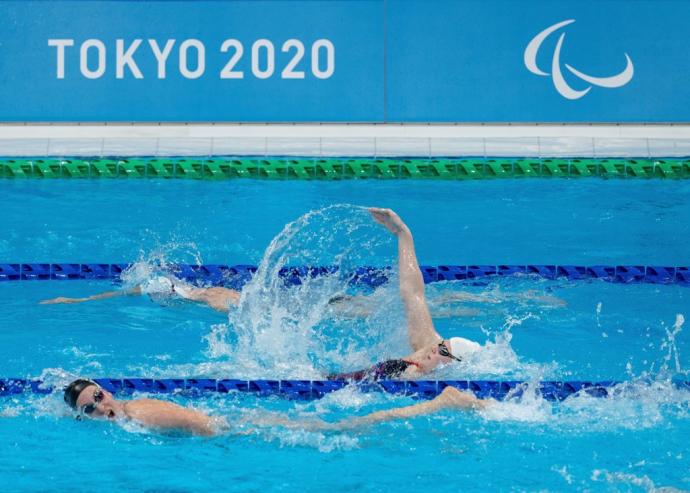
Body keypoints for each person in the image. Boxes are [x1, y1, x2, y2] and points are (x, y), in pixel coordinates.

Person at [63, 378, 489, 436]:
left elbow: (200, 425)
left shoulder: (136, 415)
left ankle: (441, 403)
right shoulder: (130, 408)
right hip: (239, 423)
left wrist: (227, 443)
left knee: (343, 430)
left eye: (98, 397)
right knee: (338, 427)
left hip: (237, 429)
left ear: (106, 389)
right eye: (89, 410)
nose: (101, 407)